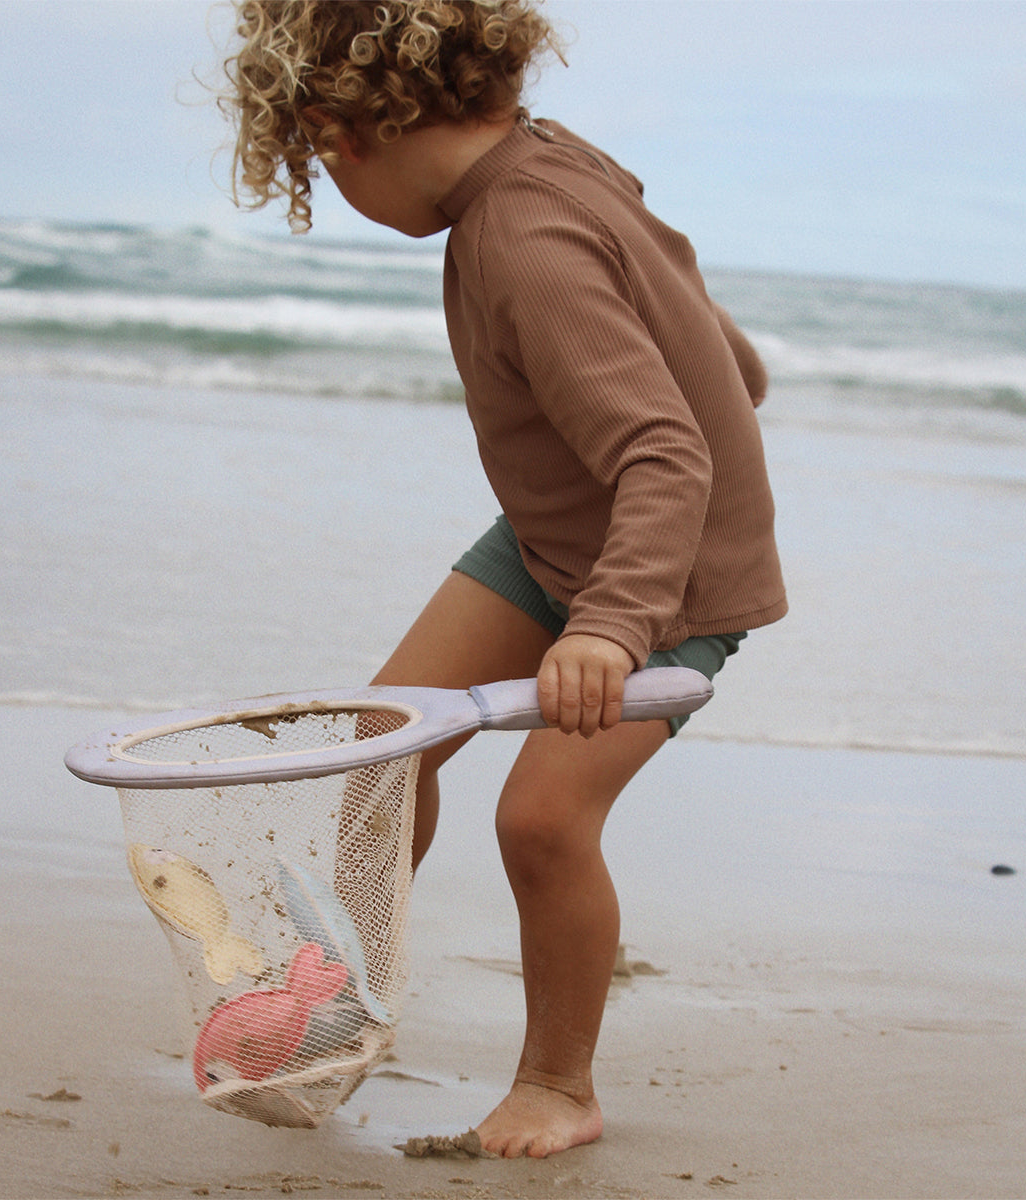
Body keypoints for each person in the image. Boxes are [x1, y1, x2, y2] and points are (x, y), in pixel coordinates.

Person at [221, 0, 787, 1159]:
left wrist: (613, 629)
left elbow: (664, 455)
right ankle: (336, 997)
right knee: (378, 752)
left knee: (540, 820)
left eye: (320, 171)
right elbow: (666, 271)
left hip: (667, 573)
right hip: (555, 532)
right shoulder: (555, 151)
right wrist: (726, 359)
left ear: (337, 134)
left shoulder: (519, 239)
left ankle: (557, 1083)